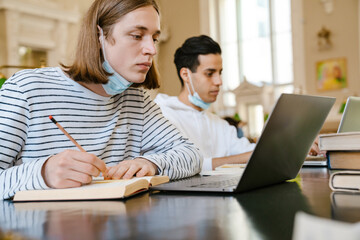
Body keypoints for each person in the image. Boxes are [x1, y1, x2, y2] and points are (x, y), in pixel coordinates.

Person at [0, 0, 201, 200]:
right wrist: (42, 174)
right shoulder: (26, 89)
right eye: (137, 36)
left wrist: (151, 164)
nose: (152, 49)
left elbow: (191, 155)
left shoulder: (136, 101)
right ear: (99, 36)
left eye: (154, 39)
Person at [154, 35, 255, 171]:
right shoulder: (162, 116)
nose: (219, 81)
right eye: (209, 73)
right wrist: (241, 159)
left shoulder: (220, 125)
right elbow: (184, 166)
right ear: (185, 75)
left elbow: (251, 151)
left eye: (220, 73)